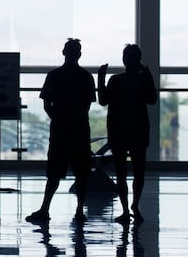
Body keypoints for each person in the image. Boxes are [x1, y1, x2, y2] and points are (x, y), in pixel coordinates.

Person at [26, 38, 96, 225]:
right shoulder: (86, 77)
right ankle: (80, 210)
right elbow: (86, 106)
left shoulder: (54, 76)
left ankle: (45, 208)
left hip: (60, 129)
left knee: (54, 172)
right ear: (79, 54)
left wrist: (58, 117)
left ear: (63, 52)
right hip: (79, 129)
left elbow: (47, 104)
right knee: (81, 172)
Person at [97, 44, 158, 223]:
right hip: (139, 130)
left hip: (118, 131)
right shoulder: (142, 80)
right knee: (139, 172)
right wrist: (149, 77)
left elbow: (102, 101)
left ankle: (125, 210)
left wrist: (100, 78)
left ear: (124, 59)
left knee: (121, 172)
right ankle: (135, 206)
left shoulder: (116, 80)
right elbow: (152, 100)